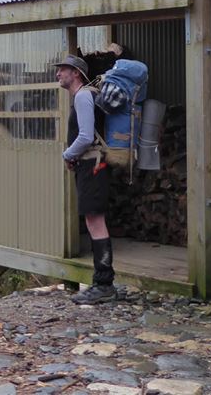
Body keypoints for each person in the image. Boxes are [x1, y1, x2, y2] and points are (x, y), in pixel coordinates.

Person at [53, 54, 116, 304]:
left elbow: (86, 136)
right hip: (91, 164)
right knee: (93, 219)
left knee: (95, 220)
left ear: (76, 73)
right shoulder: (86, 95)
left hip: (92, 164)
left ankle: (104, 283)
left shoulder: (82, 96)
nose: (58, 74)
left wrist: (67, 154)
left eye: (63, 70)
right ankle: (103, 282)